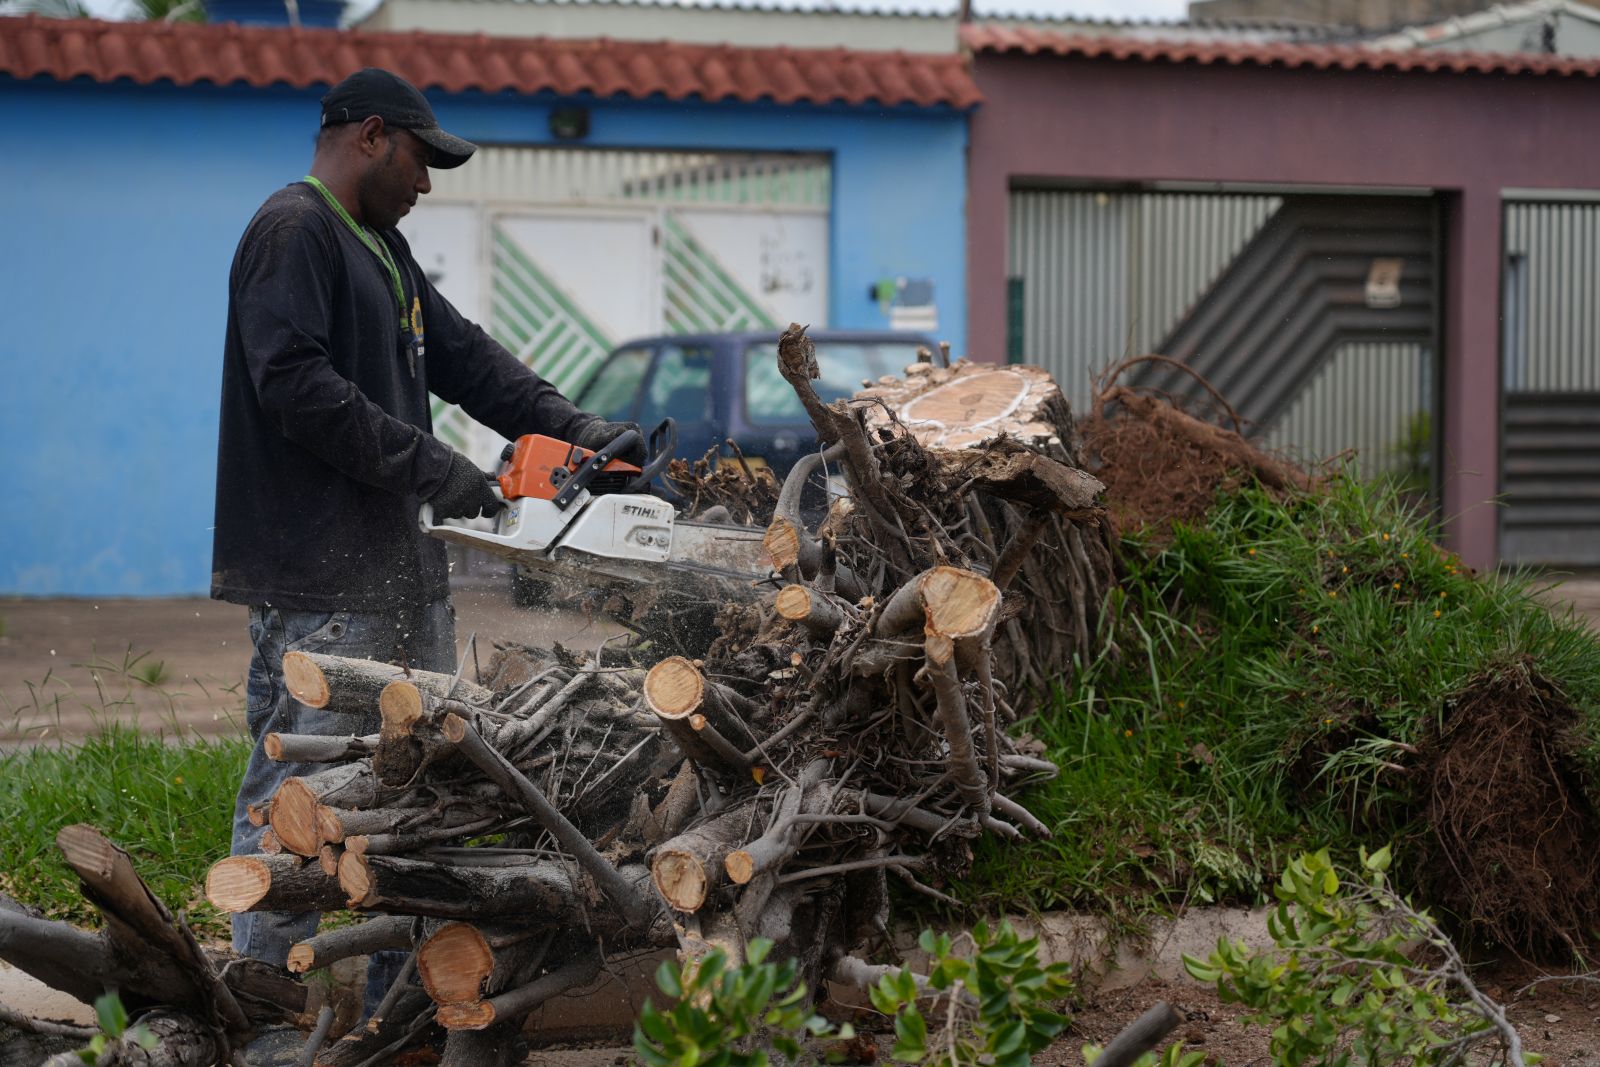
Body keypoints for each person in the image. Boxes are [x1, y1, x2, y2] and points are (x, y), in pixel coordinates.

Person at [211, 67, 642, 1006]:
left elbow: (470, 361)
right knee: (303, 794)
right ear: (370, 135)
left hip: (402, 575)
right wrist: (437, 465)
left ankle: (398, 1000)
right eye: (421, 157)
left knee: (414, 796)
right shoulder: (295, 232)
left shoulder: (385, 253)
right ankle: (260, 994)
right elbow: (294, 385)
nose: (429, 181)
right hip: (323, 581)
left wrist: (579, 429)